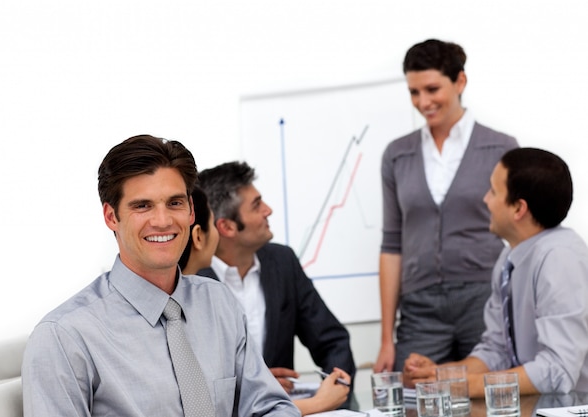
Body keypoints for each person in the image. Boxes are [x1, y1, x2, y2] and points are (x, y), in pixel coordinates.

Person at [22, 135, 300, 416]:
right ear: (111, 217)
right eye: (142, 206)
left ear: (192, 211)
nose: (163, 221)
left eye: (175, 203)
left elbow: (271, 406)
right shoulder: (64, 336)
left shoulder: (218, 303)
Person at [374, 39, 519, 373]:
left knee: (489, 395)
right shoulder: (397, 155)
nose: (423, 102)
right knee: (415, 397)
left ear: (460, 82)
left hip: (484, 299)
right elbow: (391, 244)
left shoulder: (500, 147)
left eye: (432, 88)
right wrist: (386, 339)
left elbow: (518, 233)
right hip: (420, 307)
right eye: (414, 92)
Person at [403, 147, 588, 397]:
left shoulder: (560, 258)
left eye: (493, 191)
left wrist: (462, 386)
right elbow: (497, 350)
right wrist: (443, 375)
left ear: (518, 209)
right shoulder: (509, 258)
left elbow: (557, 371)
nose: (485, 200)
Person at [196, 161, 356, 414]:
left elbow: (332, 341)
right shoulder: (191, 280)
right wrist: (256, 384)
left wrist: (335, 395)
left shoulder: (283, 262)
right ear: (226, 227)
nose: (268, 211)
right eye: (257, 206)